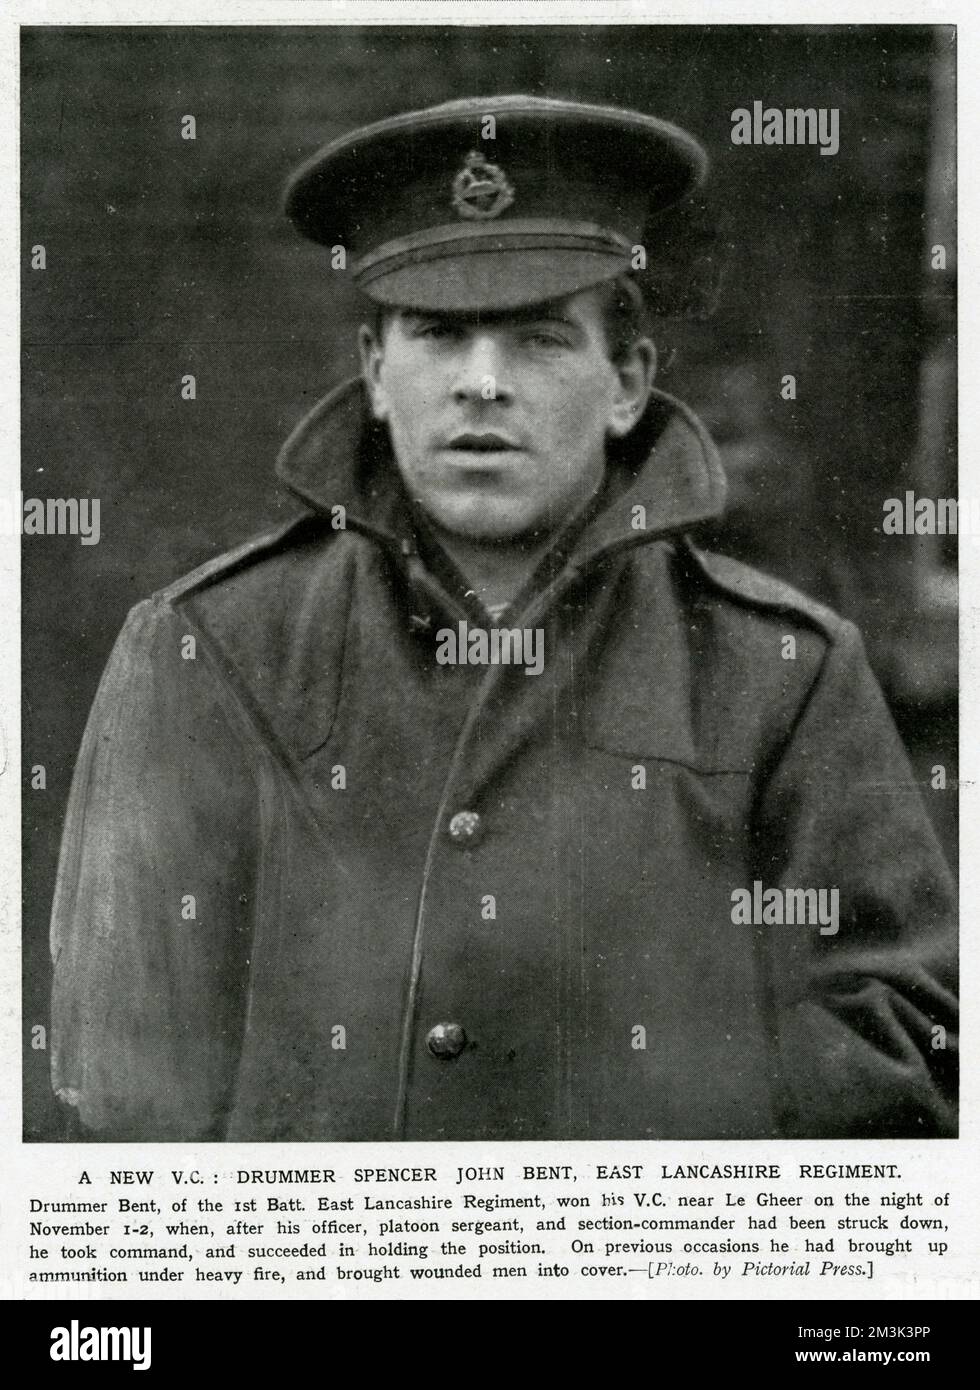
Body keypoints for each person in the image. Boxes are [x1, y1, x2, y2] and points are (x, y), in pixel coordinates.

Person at [48, 95, 957, 1142]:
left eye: (535, 339)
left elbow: (910, 1039)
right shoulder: (206, 649)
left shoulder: (778, 673)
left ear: (626, 382)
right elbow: (120, 1109)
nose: (482, 385)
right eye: (437, 334)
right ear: (376, 372)